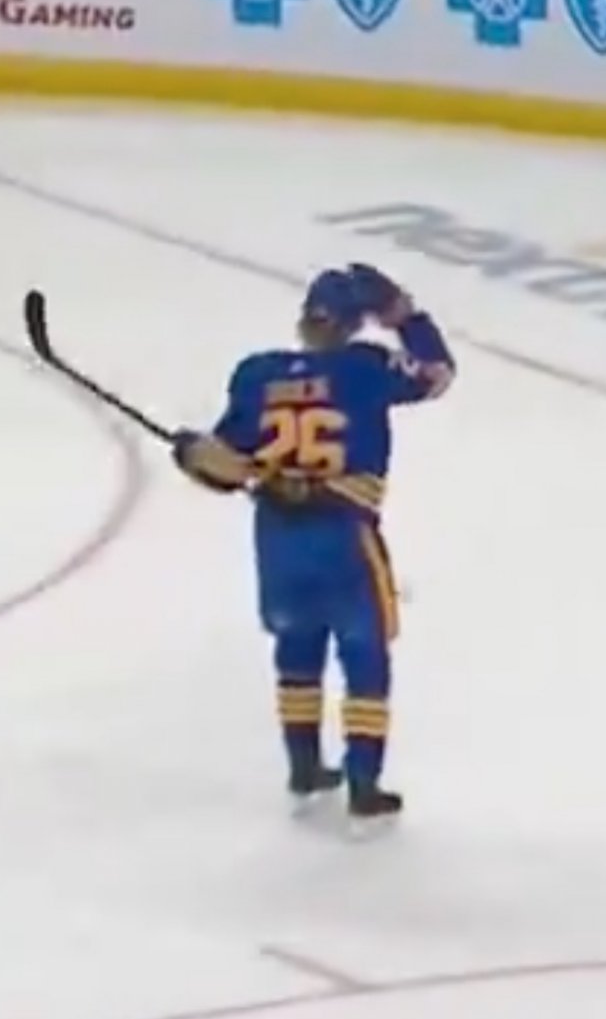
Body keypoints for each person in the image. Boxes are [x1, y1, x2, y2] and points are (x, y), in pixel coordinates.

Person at [171, 263, 455, 827]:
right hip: (343, 531)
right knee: (364, 652)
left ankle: (304, 766)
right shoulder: (365, 367)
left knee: (296, 645)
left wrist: (192, 455)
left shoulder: (257, 375)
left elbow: (227, 468)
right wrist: (404, 314)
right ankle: (363, 783)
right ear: (354, 323)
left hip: (277, 538)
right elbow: (437, 373)